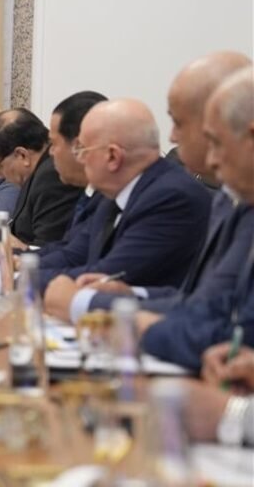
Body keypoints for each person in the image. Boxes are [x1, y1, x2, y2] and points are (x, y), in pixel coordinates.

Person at [45, 53, 252, 322]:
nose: (171, 137)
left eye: (178, 122)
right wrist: (132, 295)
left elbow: (215, 319)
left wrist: (82, 303)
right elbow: (199, 300)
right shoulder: (228, 199)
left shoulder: (175, 196)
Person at [139, 66, 254, 370]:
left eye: (216, 142)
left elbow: (233, 334)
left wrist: (141, 328)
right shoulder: (237, 201)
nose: (212, 160)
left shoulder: (184, 193)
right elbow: (214, 309)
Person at [38, 99, 210, 297]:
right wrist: (21, 268)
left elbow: (108, 276)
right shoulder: (114, 193)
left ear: (113, 156)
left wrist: (25, 279)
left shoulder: (171, 198)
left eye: (82, 150)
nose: (80, 159)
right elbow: (76, 255)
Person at [0, 108, 82, 247]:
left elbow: (48, 247)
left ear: (22, 155)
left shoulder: (51, 177)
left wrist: (11, 246)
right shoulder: (36, 174)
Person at [35, 91, 107, 256]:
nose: (50, 152)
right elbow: (69, 249)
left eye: (54, 144)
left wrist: (22, 262)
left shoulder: (116, 195)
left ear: (79, 146)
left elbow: (80, 258)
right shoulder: (93, 192)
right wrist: (19, 258)